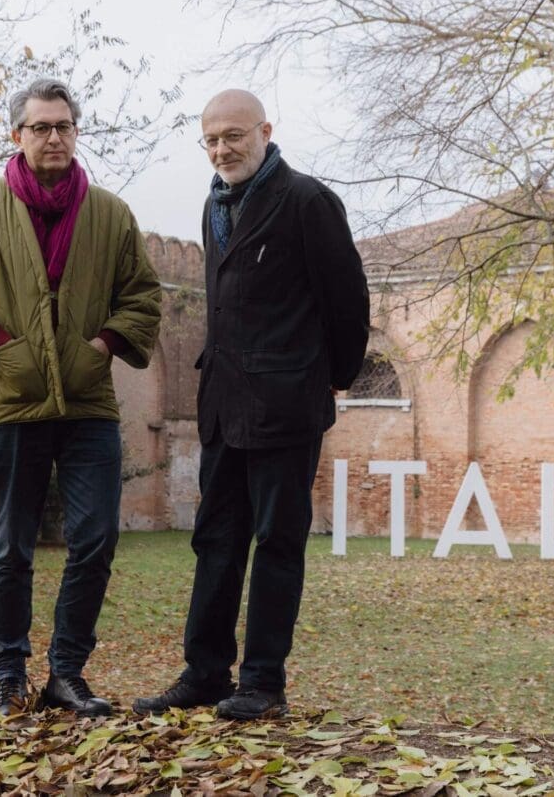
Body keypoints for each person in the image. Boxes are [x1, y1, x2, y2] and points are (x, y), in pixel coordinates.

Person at [0, 78, 161, 717]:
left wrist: (104, 346)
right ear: (17, 135)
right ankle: (9, 675)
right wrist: (3, 345)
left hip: (88, 407)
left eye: (63, 126)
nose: (53, 137)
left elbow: (142, 295)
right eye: (40, 127)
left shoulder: (110, 212)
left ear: (76, 132)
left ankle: (67, 673)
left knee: (96, 539)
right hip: (10, 407)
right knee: (12, 549)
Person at [133, 89, 369, 720]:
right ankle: (205, 672)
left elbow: (348, 301)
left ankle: (263, 682)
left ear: (265, 130)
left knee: (277, 541)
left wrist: (333, 378)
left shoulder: (307, 201)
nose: (221, 149)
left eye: (233, 136)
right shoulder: (214, 205)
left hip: (288, 403)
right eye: (210, 140)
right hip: (224, 405)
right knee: (215, 540)